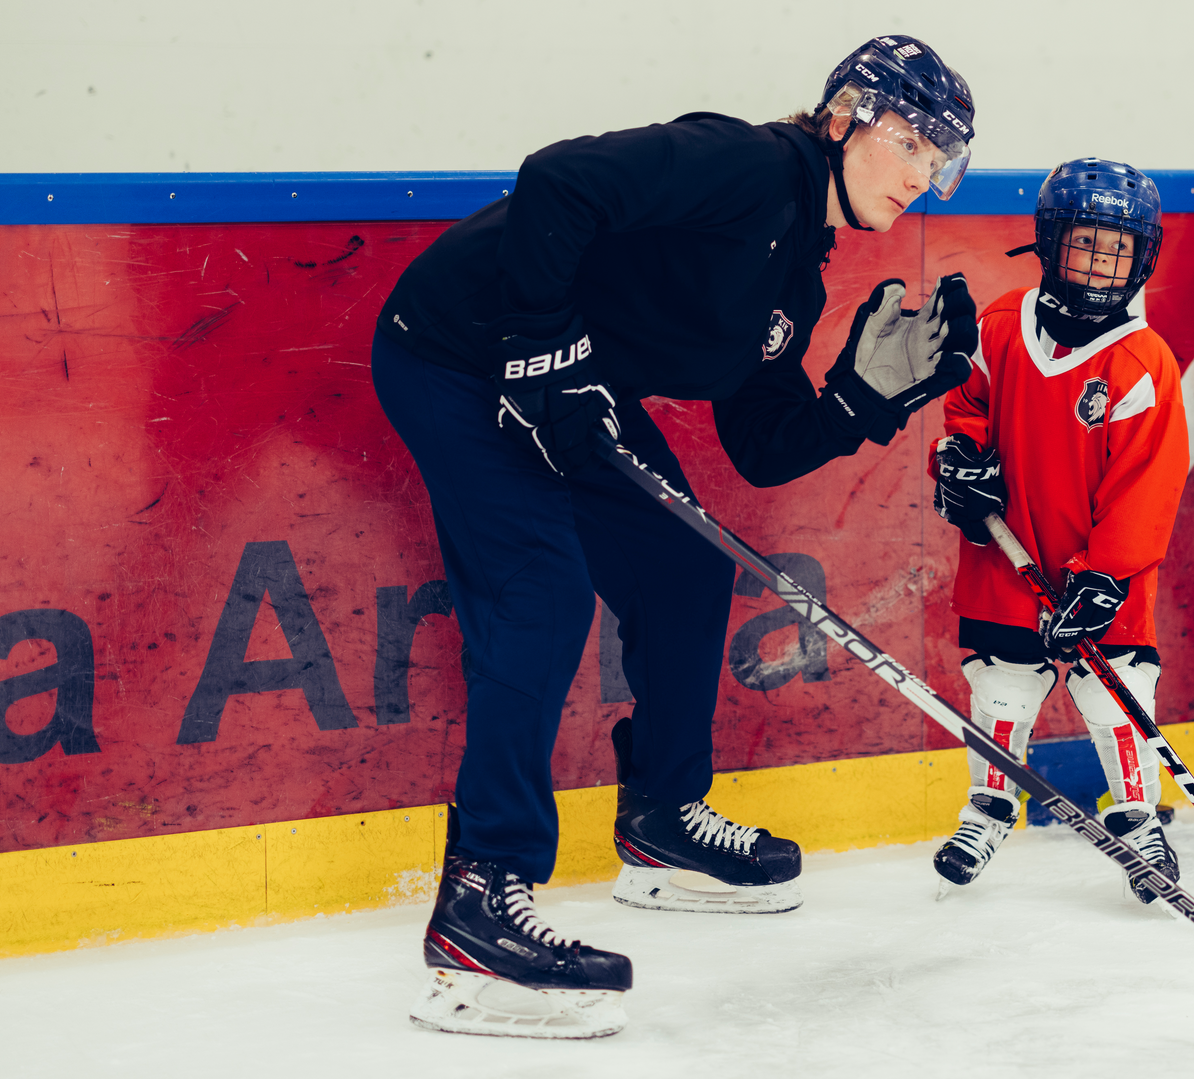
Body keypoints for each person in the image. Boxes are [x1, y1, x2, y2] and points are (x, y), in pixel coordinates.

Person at [375, 35, 979, 1038]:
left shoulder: (796, 283)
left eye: (940, 159)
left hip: (565, 384)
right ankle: (481, 898)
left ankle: (659, 821)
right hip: (454, 354)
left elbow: (761, 446)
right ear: (844, 118)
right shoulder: (743, 166)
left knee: (686, 569)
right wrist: (540, 349)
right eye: (911, 143)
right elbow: (559, 180)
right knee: (543, 592)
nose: (924, 177)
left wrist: (865, 401)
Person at [929, 158, 1190, 903]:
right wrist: (958, 463)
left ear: (1145, 256)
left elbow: (1147, 484)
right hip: (1004, 558)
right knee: (1002, 686)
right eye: (1087, 243)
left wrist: (1106, 572)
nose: (1104, 263)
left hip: (1102, 575)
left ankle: (1139, 820)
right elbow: (964, 413)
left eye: (1120, 248)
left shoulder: (1143, 360)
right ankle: (988, 806)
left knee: (1117, 696)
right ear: (1049, 242)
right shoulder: (1001, 326)